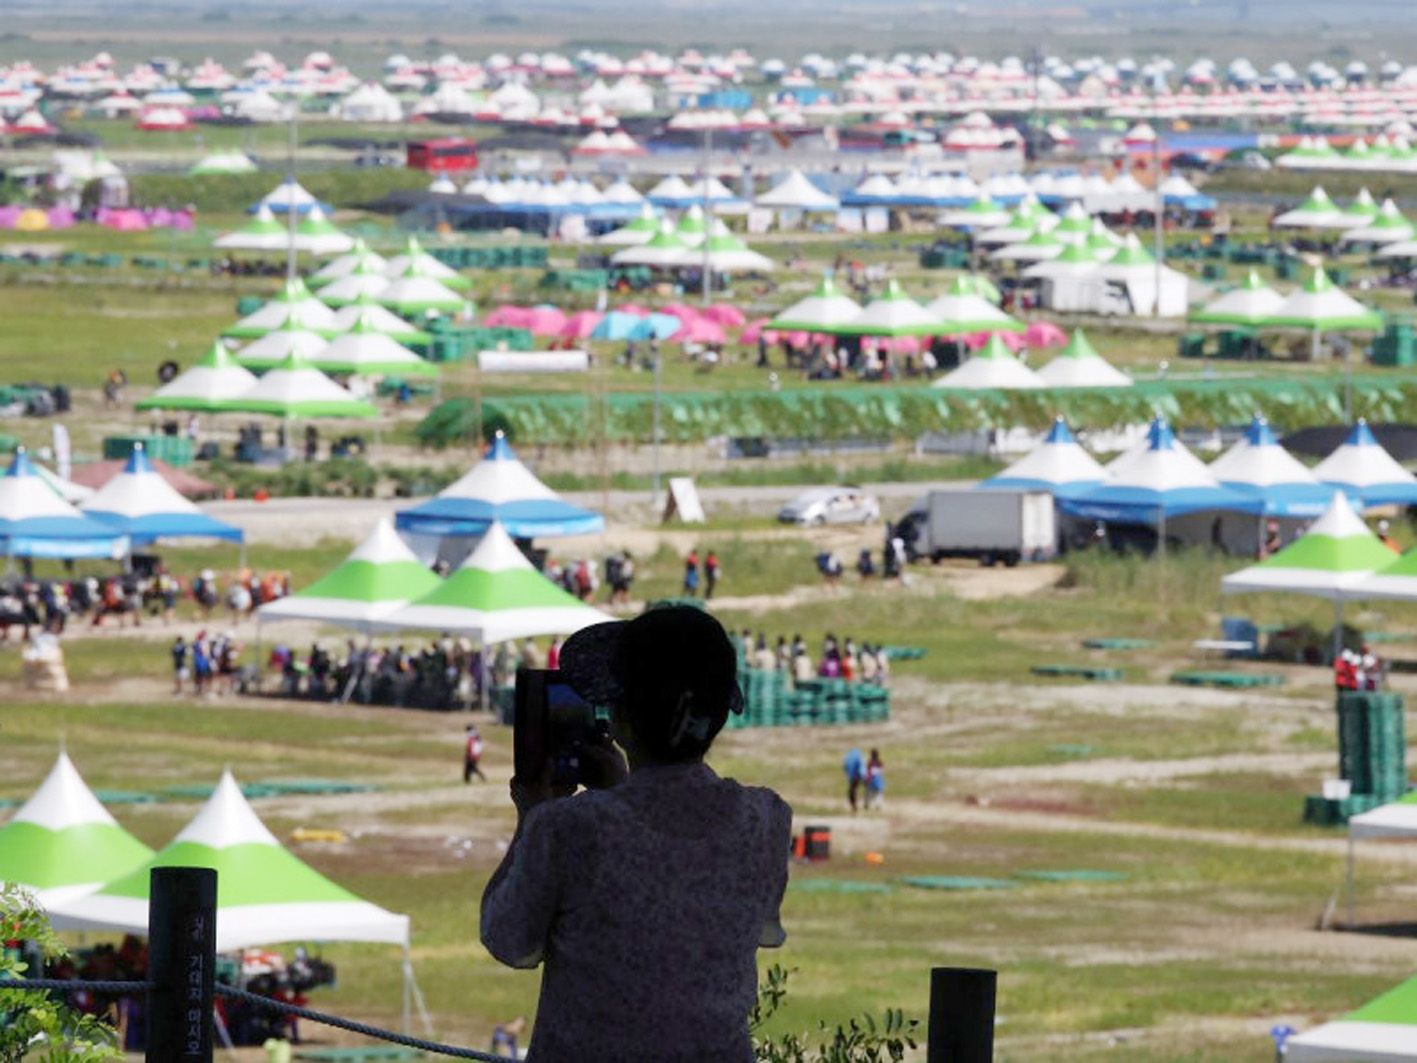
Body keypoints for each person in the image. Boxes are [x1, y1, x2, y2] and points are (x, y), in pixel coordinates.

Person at [481, 606, 791, 1063]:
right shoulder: (764, 821)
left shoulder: (569, 827)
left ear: (620, 716)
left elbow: (508, 940)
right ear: (720, 717)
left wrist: (532, 818)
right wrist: (620, 790)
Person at [843, 747, 865, 814]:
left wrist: (847, 774)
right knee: (854, 790)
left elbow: (845, 766)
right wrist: (862, 776)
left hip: (851, 776)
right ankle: (855, 804)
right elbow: (861, 766)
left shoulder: (848, 756)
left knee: (852, 790)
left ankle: (854, 804)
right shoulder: (858, 756)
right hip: (857, 776)